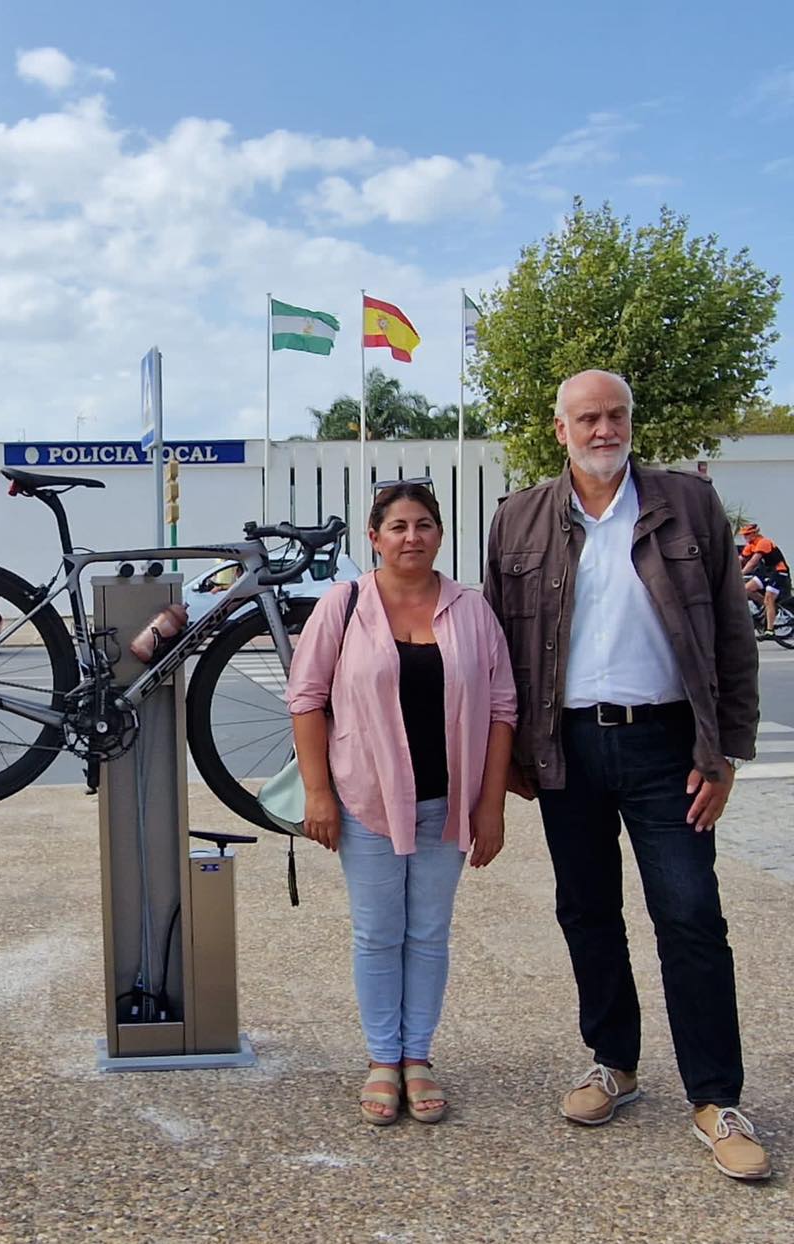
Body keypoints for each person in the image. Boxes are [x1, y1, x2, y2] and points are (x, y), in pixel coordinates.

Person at [484, 369, 768, 1181]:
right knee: (587, 911)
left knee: (690, 916)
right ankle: (614, 1060)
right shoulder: (518, 519)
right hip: (567, 747)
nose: (603, 429)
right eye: (587, 418)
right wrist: (506, 755)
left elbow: (732, 639)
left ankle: (716, 1098)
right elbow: (500, 648)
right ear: (559, 426)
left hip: (668, 747)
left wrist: (727, 751)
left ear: (629, 421)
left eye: (614, 416)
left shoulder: (689, 504)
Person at [286, 482, 516, 1125]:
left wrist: (490, 807)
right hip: (366, 801)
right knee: (378, 933)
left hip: (448, 803)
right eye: (397, 526)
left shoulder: (472, 610)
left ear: (440, 534)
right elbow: (306, 698)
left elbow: (502, 710)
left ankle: (418, 1057)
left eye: (423, 524)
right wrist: (317, 792)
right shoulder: (344, 604)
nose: (411, 536)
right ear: (374, 537)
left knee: (429, 933)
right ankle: (382, 1058)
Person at [738, 521, 789, 636]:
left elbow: (752, 562)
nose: (745, 537)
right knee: (746, 589)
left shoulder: (763, 542)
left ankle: (770, 630)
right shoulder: (751, 545)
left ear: (754, 533)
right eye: (744, 535)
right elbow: (740, 559)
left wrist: (740, 574)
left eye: (747, 534)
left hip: (779, 572)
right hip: (767, 572)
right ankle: (766, 607)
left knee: (769, 597)